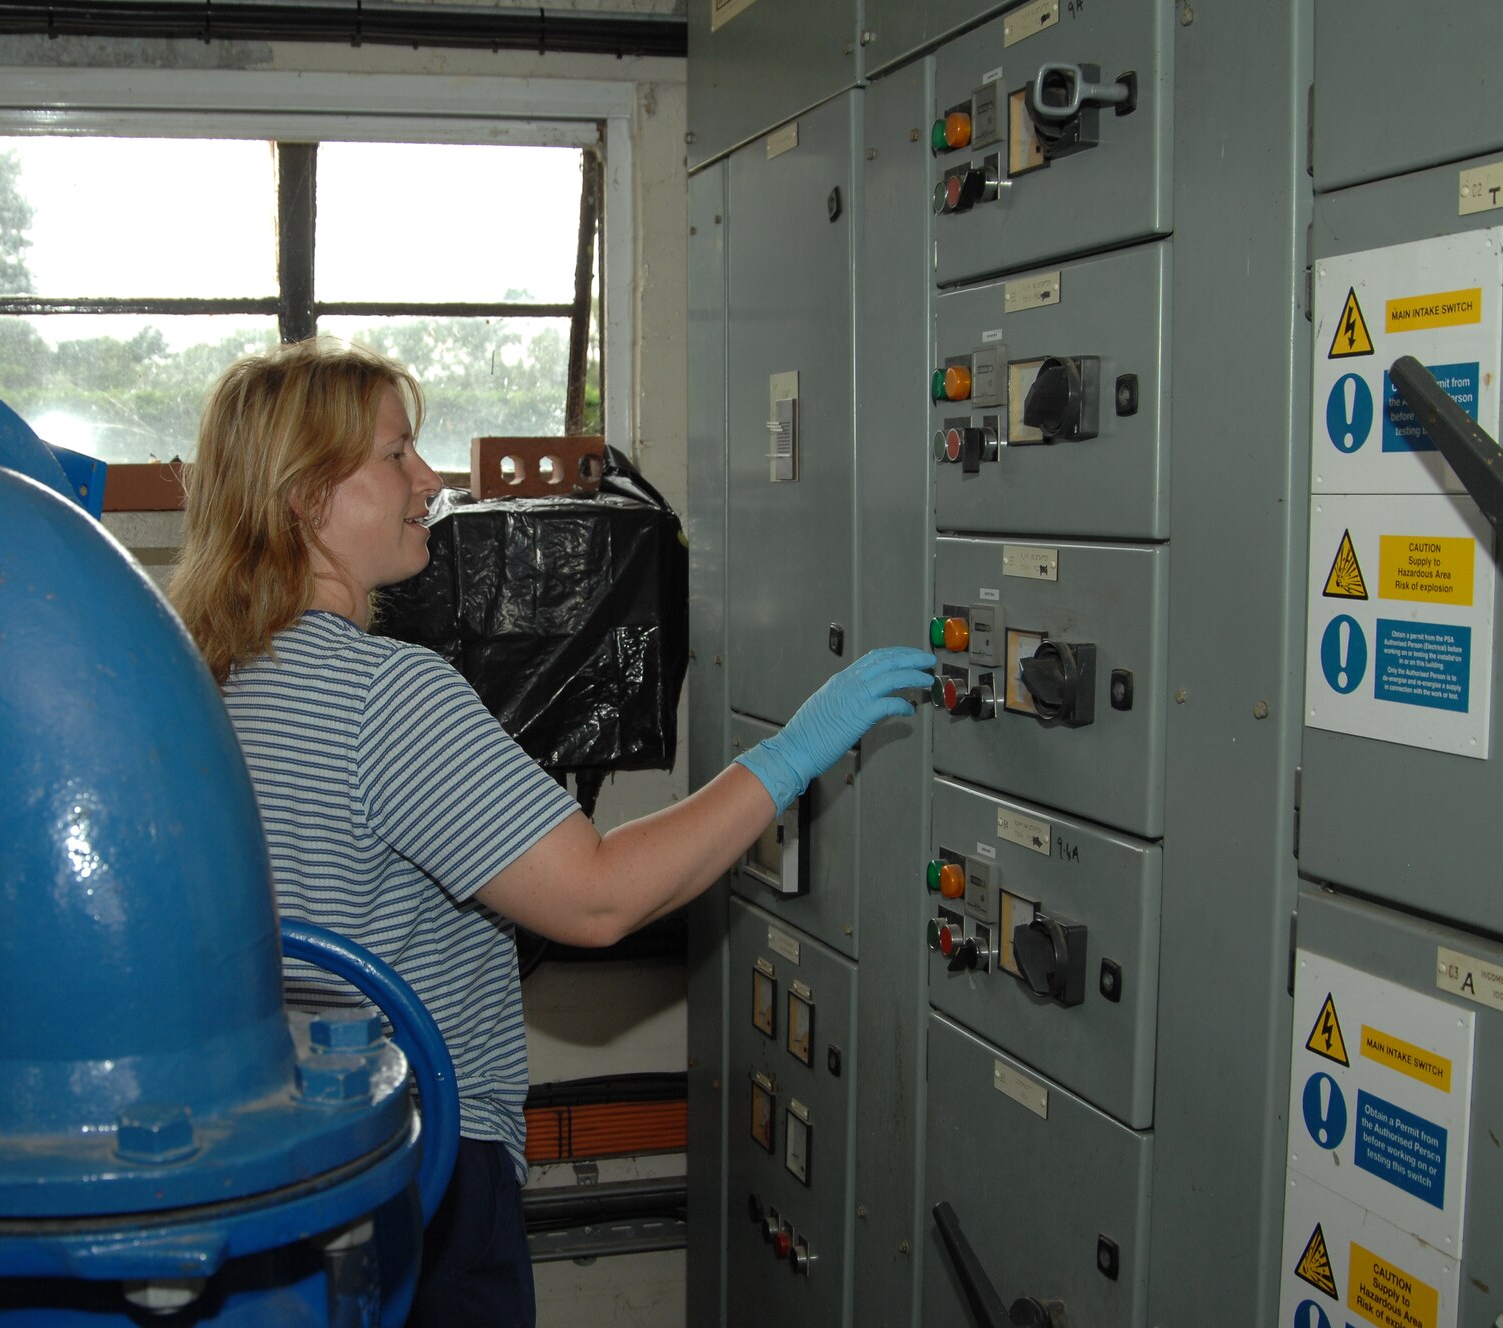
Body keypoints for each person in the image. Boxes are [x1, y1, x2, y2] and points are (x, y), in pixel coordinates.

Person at [169, 336, 934, 1326]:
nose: (427, 479)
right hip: (420, 1157)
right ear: (304, 495)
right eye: (395, 454)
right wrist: (794, 749)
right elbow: (598, 894)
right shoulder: (384, 694)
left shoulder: (205, 677)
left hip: (282, 1156)